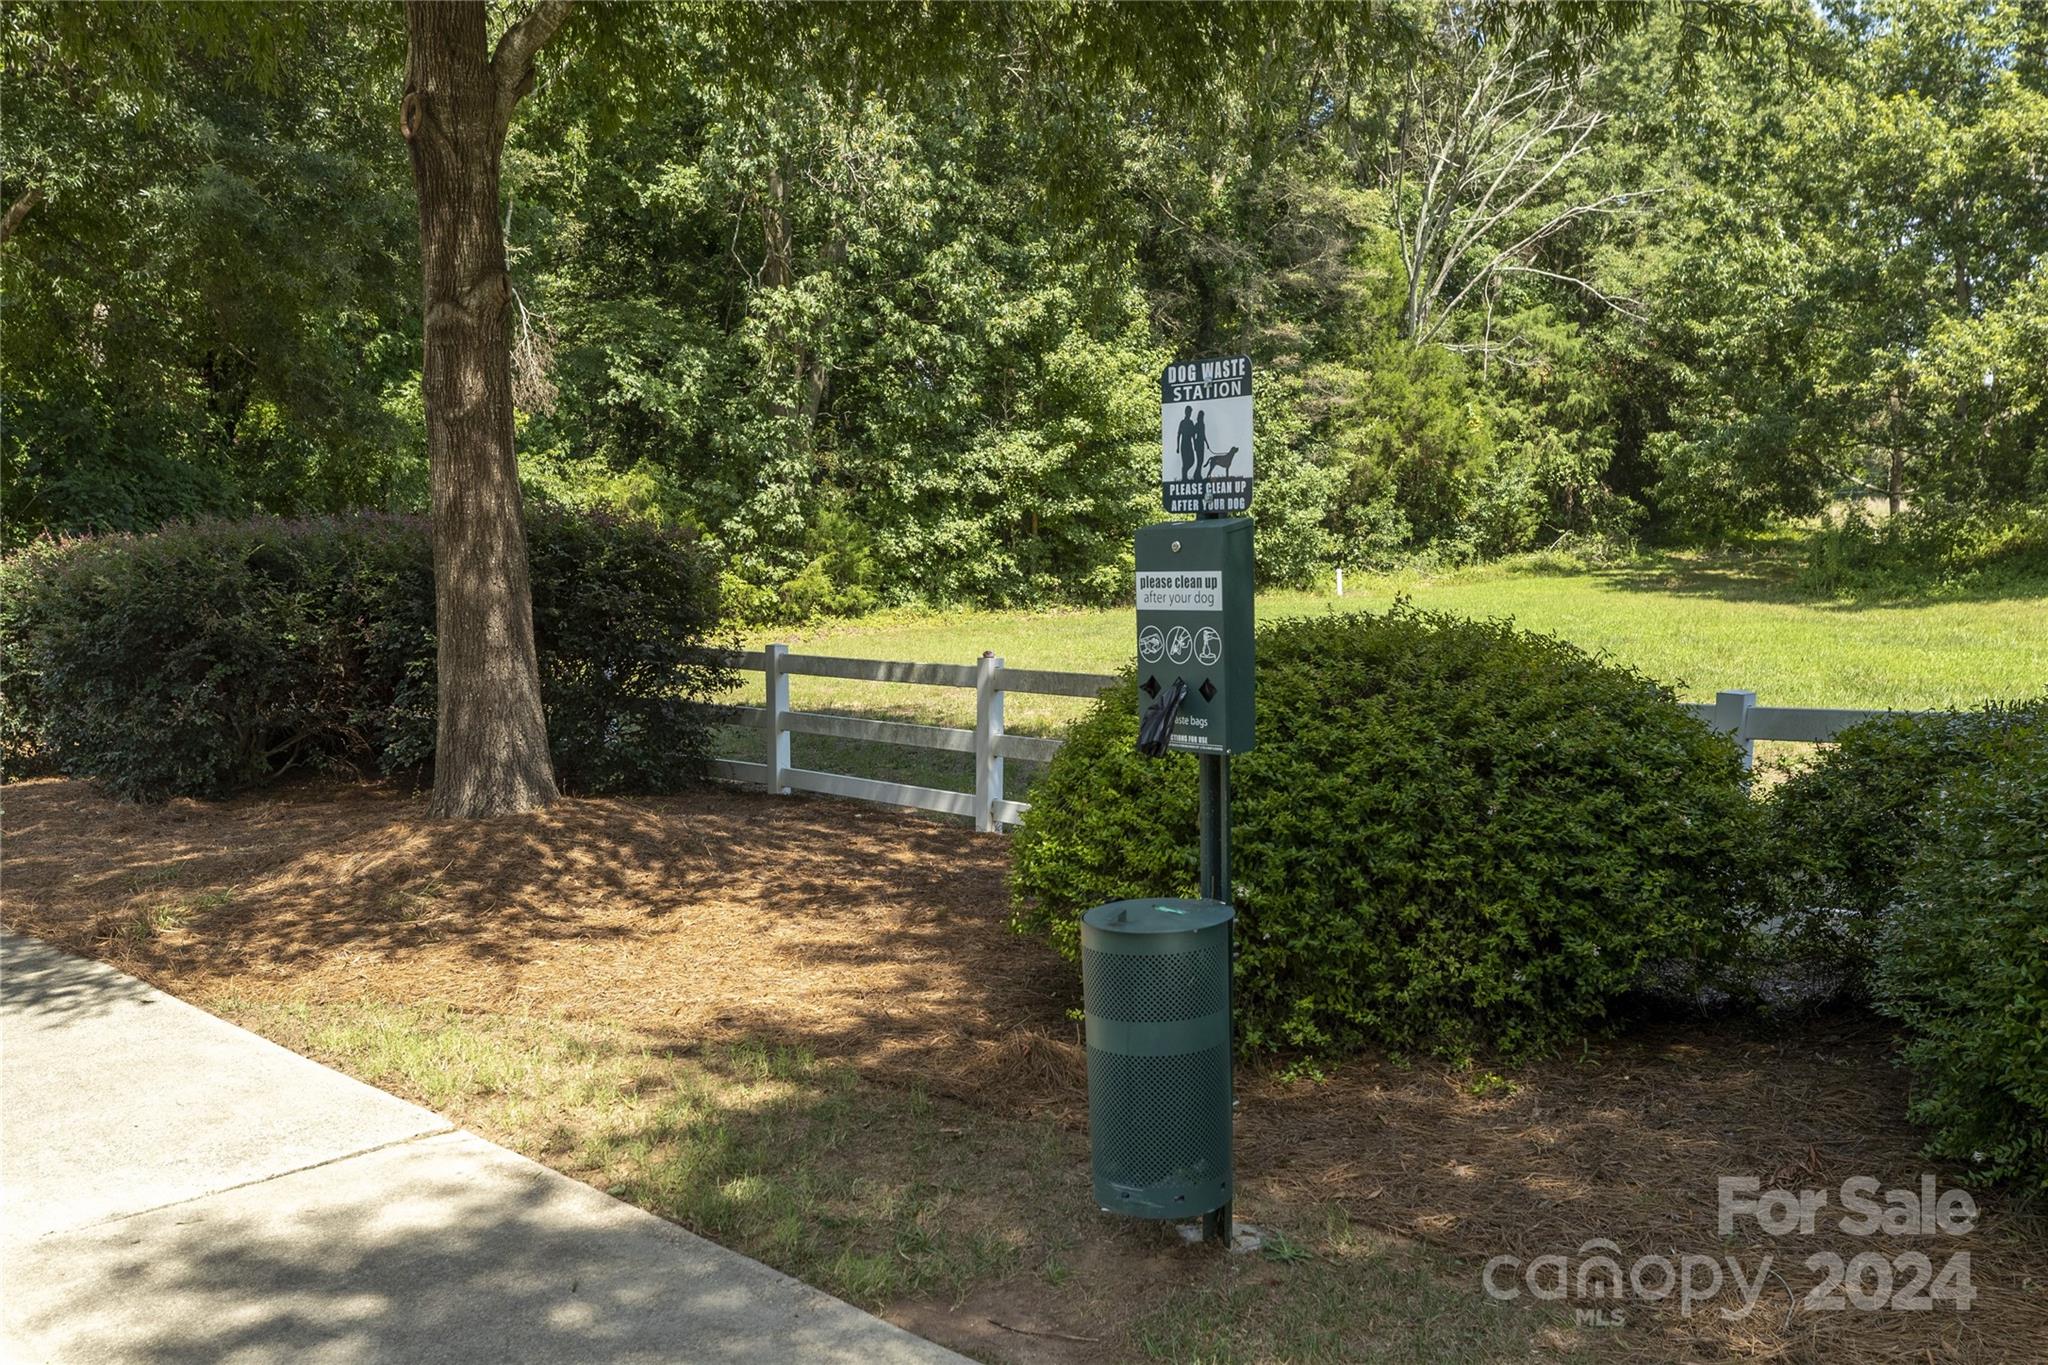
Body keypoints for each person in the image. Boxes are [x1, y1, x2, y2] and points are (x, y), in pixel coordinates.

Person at [1176, 406, 1198, 480]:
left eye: (1190, 412)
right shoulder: (1182, 423)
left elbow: (1193, 436)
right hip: (1184, 444)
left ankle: (1184, 474)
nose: (1189, 414)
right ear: (1186, 412)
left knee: (1192, 460)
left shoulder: (1191, 423)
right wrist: (1177, 447)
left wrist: (1195, 446)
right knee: (1185, 462)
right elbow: (1178, 435)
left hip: (1189, 444)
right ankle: (1184, 478)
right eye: (1188, 412)